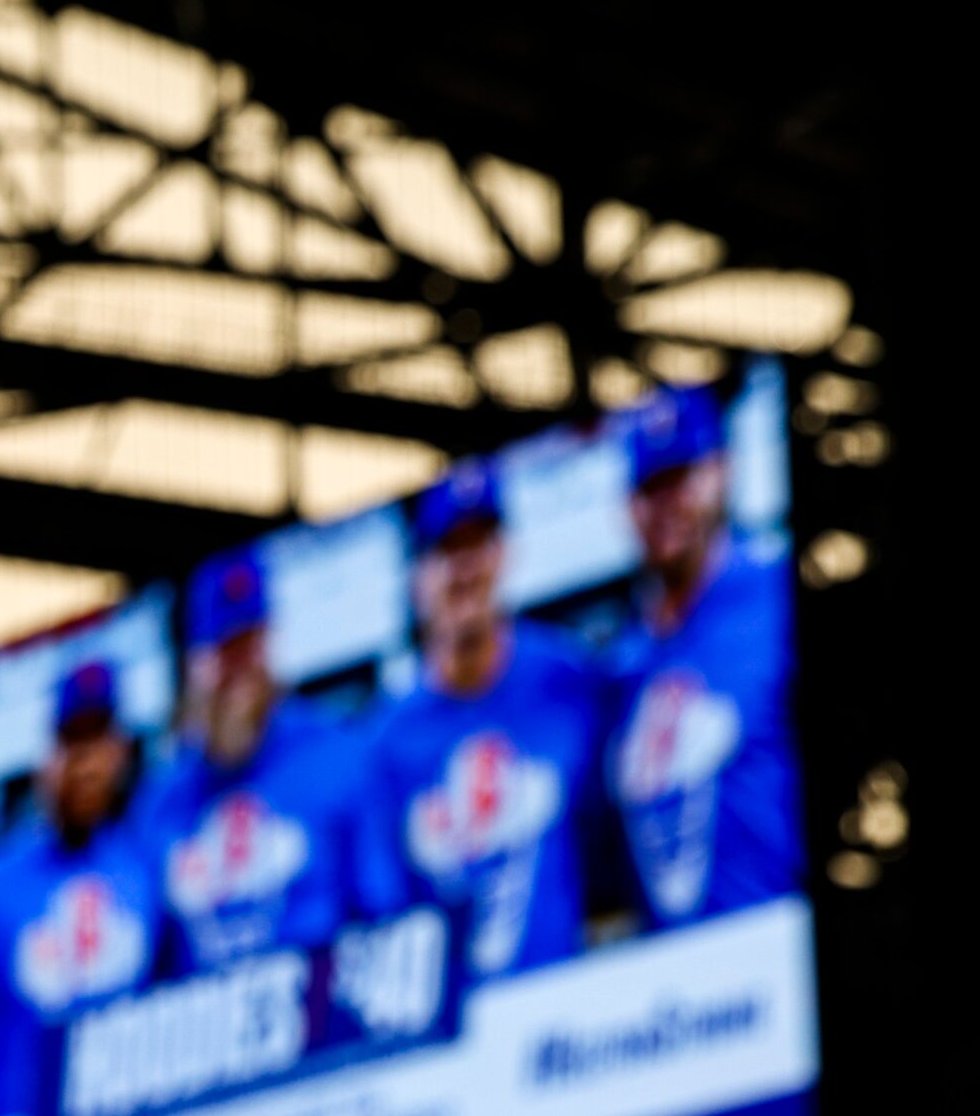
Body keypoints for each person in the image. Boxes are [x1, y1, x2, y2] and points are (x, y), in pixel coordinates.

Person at [355, 462, 605, 982]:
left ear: (505, 553)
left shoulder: (568, 679)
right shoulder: (387, 742)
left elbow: (606, 841)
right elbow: (386, 916)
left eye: (480, 543)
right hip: (454, 1035)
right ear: (415, 578)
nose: (466, 568)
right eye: (447, 550)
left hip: (564, 1013)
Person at [604, 385, 803, 927]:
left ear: (723, 471)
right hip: (679, 992)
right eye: (650, 487)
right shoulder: (623, 665)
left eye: (682, 477)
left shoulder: (780, 596)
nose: (667, 505)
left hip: (783, 947)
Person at [0, 660, 159, 1116]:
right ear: (44, 756)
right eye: (71, 741)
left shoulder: (142, 868)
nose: (85, 763)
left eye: (98, 740)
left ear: (120, 751)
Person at [142, 550, 363, 973]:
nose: (239, 669)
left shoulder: (335, 753)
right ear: (193, 665)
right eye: (225, 650)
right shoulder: (160, 803)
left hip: (326, 1019)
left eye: (251, 644)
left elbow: (387, 916)